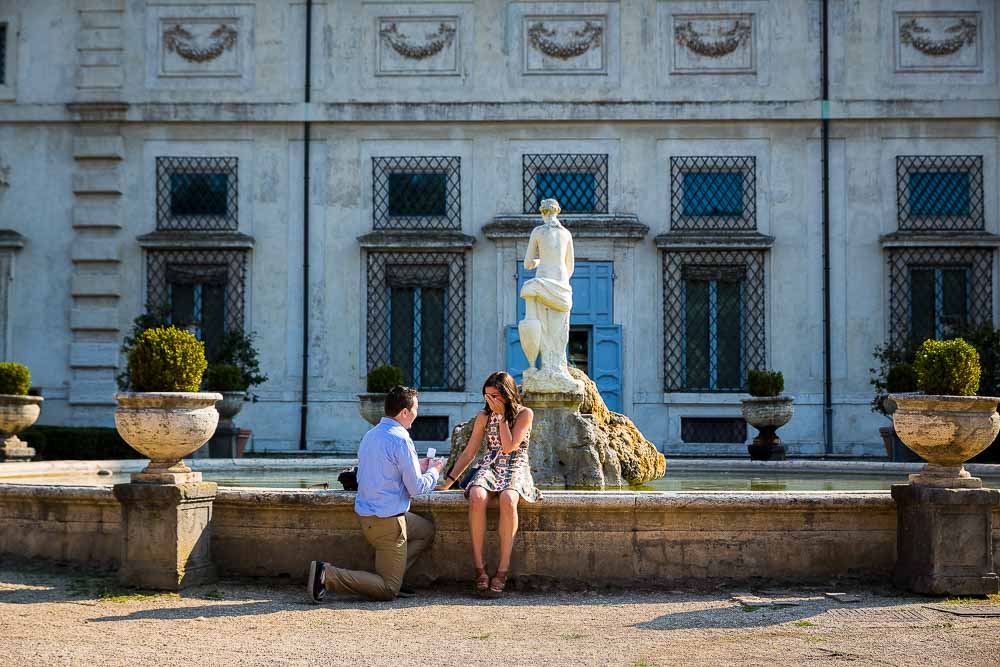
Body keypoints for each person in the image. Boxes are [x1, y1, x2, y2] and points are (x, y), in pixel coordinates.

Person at [308, 385, 445, 602]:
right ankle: (328, 575)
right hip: (388, 523)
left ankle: (395, 573)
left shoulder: (371, 435)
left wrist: (418, 464)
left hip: (370, 517)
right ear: (404, 412)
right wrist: (434, 471)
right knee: (388, 589)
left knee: (426, 531)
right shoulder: (401, 439)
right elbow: (417, 488)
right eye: (416, 409)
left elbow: (387, 467)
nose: (417, 414)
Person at [438, 371, 540, 596]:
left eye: (494, 395)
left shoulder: (525, 414)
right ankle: (479, 567)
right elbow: (469, 452)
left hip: (516, 465)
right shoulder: (483, 417)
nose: (489, 400)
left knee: (508, 498)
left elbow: (509, 447)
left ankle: (502, 570)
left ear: (507, 395)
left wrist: (503, 417)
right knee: (476, 495)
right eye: (486, 396)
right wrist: (448, 481)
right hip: (491, 464)